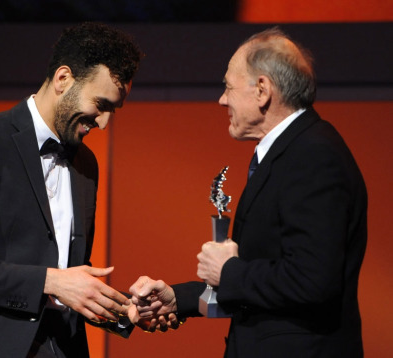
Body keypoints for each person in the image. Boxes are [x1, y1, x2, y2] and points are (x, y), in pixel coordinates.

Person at [130, 27, 367, 358]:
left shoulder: (313, 155)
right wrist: (178, 298)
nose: (222, 99)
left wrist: (228, 271)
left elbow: (312, 281)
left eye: (228, 87)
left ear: (262, 90)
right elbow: (266, 280)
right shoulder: (291, 151)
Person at [0, 22, 146, 358]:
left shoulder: (86, 164)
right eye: (101, 104)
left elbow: (66, 272)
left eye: (113, 110)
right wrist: (51, 281)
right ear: (63, 79)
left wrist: (121, 309)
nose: (103, 122)